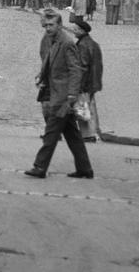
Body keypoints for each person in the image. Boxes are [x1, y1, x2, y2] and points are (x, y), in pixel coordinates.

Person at [25, 10, 93, 180]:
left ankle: (40, 167)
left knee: (51, 132)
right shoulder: (53, 40)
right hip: (57, 93)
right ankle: (85, 168)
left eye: (51, 25)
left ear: (60, 25)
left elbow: (75, 70)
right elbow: (49, 61)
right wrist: (42, 76)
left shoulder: (66, 43)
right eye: (46, 25)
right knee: (72, 135)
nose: (47, 28)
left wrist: (71, 95)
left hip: (63, 97)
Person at [70, 17, 104, 141]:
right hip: (93, 81)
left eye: (75, 29)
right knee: (88, 106)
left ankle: (88, 134)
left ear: (81, 31)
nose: (73, 31)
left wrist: (79, 85)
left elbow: (82, 67)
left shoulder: (83, 45)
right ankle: (93, 131)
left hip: (86, 82)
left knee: (83, 108)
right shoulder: (91, 43)